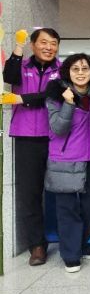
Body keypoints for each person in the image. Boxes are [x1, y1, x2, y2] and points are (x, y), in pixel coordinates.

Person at [1, 28, 61, 266]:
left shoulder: (62, 70)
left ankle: (69, 237)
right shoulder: (21, 66)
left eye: (53, 43)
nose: (49, 47)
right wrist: (18, 47)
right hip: (26, 136)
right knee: (30, 193)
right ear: (33, 45)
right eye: (43, 42)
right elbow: (9, 77)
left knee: (64, 189)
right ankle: (37, 245)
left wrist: (22, 99)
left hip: (56, 135)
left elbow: (52, 94)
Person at [44, 54, 90, 272]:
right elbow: (58, 128)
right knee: (67, 210)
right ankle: (70, 253)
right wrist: (68, 103)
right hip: (64, 160)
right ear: (67, 72)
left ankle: (82, 244)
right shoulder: (56, 95)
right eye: (75, 69)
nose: (80, 73)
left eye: (85, 68)